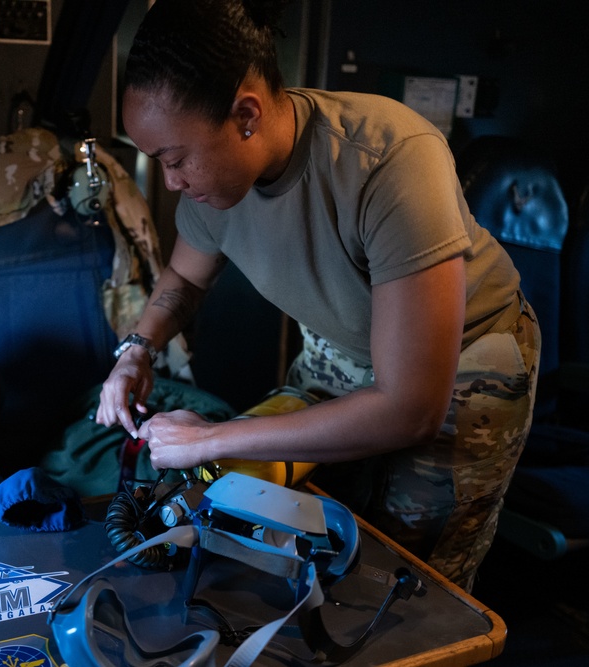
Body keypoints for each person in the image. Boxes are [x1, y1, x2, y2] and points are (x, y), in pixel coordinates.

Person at [94, 0, 540, 592]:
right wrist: (137, 351)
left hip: (463, 371)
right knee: (252, 514)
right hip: (337, 353)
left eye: (176, 160)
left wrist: (208, 436)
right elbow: (182, 281)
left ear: (245, 115)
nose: (170, 182)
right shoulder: (212, 188)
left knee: (404, 583)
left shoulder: (389, 159)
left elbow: (410, 408)